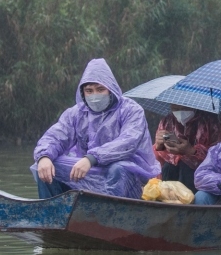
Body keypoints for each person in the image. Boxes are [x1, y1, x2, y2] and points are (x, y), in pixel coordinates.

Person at [32, 58, 160, 199]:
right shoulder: (76, 113)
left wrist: (92, 158)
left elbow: (128, 142)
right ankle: (54, 214)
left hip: (128, 171)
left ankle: (113, 214)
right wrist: (44, 156)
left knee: (118, 169)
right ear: (83, 93)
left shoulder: (131, 110)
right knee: (47, 166)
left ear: (110, 90)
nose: (94, 95)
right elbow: (56, 135)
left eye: (100, 89)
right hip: (89, 167)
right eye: (89, 91)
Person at [153, 104, 221, 192]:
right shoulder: (167, 121)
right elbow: (157, 157)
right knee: (168, 167)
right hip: (171, 170)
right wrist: (160, 146)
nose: (180, 112)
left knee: (186, 166)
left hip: (199, 171)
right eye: (175, 109)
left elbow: (218, 153)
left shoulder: (210, 121)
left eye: (185, 108)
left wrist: (192, 152)